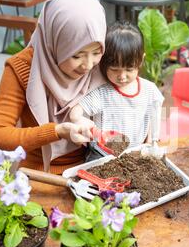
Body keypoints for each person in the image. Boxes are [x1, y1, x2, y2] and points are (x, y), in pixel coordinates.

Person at [0, 0, 107, 174]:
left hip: (97, 164)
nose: (88, 65)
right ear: (54, 43)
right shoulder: (22, 68)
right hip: (42, 170)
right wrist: (56, 131)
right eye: (76, 55)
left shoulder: (105, 62)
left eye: (96, 52)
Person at [69, 21, 164, 161]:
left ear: (141, 60)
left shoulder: (150, 91)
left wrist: (151, 142)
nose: (122, 76)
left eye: (129, 69)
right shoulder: (102, 93)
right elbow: (75, 112)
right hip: (101, 154)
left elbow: (153, 118)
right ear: (103, 61)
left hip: (135, 153)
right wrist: (79, 120)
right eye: (114, 69)